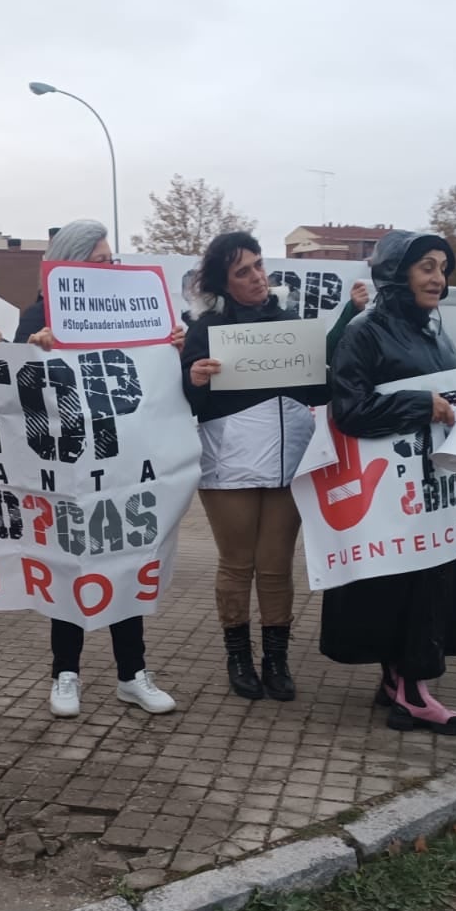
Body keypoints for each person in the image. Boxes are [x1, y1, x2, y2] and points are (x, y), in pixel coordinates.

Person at [320, 230, 456, 735]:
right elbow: (348, 410)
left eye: (442, 267)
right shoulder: (363, 333)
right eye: (426, 266)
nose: (438, 277)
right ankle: (413, 694)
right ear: (396, 273)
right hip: (393, 496)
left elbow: (455, 386)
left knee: (428, 585)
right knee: (405, 588)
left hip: (433, 491)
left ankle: (399, 681)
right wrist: (418, 406)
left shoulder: (434, 331)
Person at [16, 219, 187, 718]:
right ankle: (65, 674)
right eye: (99, 260)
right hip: (67, 466)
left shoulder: (139, 315)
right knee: (69, 567)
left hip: (123, 464)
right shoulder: (38, 315)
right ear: (69, 264)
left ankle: (132, 674)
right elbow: (13, 388)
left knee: (126, 561)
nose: (110, 268)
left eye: (113, 260)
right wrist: (33, 348)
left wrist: (172, 349)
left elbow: (155, 383)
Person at [180, 232, 326, 701]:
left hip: (288, 462)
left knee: (277, 566)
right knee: (238, 564)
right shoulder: (204, 330)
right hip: (230, 464)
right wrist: (195, 378)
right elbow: (188, 401)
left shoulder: (291, 323)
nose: (257, 277)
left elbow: (318, 393)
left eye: (259, 265)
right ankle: (238, 657)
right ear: (224, 283)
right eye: (243, 271)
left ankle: (277, 660)